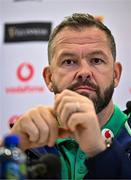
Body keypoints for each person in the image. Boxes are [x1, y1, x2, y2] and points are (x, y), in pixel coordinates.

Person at [9, 13, 131, 179]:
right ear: (49, 78)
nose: (84, 72)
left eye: (96, 60)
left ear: (115, 75)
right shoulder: (27, 144)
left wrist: (99, 151)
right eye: (69, 61)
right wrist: (9, 152)